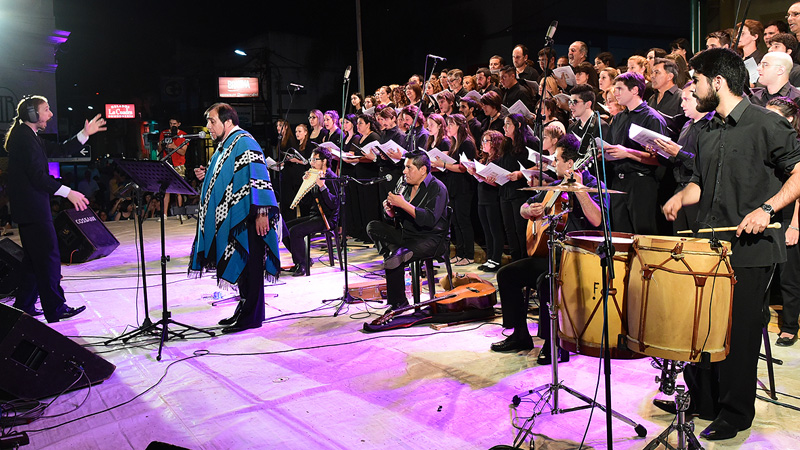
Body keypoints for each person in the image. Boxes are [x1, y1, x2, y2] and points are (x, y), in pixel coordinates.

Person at [661, 48, 800, 441]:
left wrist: (767, 209)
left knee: (739, 333)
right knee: (703, 326)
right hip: (709, 245)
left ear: (718, 82)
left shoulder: (767, 123)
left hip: (752, 249)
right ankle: (703, 401)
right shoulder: (706, 130)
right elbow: (700, 183)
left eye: (697, 81)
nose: (693, 88)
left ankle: (735, 412)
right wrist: (680, 197)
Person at [491, 134, 604, 363]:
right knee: (506, 274)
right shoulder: (554, 186)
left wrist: (580, 190)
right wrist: (528, 211)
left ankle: (555, 344)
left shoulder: (595, 186)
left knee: (546, 281)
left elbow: (597, 220)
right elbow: (525, 205)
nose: (553, 163)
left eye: (557, 159)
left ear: (570, 164)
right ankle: (520, 335)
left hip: (579, 258)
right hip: (552, 253)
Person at [6, 95, 106, 322]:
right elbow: (38, 177)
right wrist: (68, 192)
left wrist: (85, 134)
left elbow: (61, 150)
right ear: (32, 114)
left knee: (34, 261)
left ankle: (23, 306)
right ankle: (55, 308)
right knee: (49, 259)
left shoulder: (28, 136)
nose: (50, 114)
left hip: (31, 209)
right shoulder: (24, 138)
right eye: (46, 109)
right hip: (33, 210)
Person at [190, 103, 280, 334]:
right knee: (243, 268)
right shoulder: (226, 145)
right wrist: (207, 175)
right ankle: (244, 310)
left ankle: (252, 317)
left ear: (227, 121)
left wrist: (263, 213)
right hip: (235, 218)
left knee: (251, 268)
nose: (209, 126)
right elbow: (229, 178)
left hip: (249, 217)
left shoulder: (244, 141)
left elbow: (259, 176)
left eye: (212, 121)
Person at [366, 151, 449, 311]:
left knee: (394, 257)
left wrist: (404, 204)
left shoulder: (437, 188)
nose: (404, 171)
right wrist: (390, 211)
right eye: (404, 167)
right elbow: (393, 217)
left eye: (409, 168)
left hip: (430, 239)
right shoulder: (403, 183)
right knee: (373, 227)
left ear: (423, 170)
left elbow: (429, 220)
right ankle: (395, 253)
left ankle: (398, 303)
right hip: (407, 234)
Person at [604, 71, 665, 235]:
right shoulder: (618, 118)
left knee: (643, 235)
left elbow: (660, 159)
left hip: (641, 183)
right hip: (618, 182)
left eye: (620, 89)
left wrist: (628, 153)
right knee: (621, 235)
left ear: (635, 90)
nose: (615, 93)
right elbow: (611, 147)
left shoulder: (652, 118)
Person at [648, 81, 708, 234]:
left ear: (700, 98)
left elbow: (704, 165)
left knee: (697, 240)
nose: (682, 105)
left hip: (697, 192)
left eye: (686, 99)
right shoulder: (687, 125)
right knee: (679, 238)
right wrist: (660, 151)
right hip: (680, 187)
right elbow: (676, 161)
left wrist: (678, 152)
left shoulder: (710, 127)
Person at [764, 97, 800, 348]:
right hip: (767, 213)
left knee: (789, 276)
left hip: (788, 216)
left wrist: (795, 225)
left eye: (773, 115)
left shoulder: (795, 145)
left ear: (789, 119)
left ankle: (789, 327)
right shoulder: (765, 141)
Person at [282, 147, 339, 277]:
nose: (311, 163)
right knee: (284, 228)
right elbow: (307, 203)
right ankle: (304, 259)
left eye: (315, 160)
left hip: (327, 218)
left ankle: (302, 265)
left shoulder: (331, 177)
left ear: (324, 161)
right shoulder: (315, 176)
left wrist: (322, 187)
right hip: (315, 215)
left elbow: (333, 204)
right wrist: (305, 184)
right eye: (311, 159)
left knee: (295, 231)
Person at [431, 114, 476, 266]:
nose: (448, 127)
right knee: (455, 221)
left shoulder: (466, 143)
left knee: (464, 221)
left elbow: (463, 167)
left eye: (451, 124)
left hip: (464, 187)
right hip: (454, 185)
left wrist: (443, 165)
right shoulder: (454, 143)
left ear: (460, 126)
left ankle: (469, 254)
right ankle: (460, 252)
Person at [467, 130, 506, 272]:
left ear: (495, 143)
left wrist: (479, 174)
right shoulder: (485, 159)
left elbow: (496, 182)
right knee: (486, 231)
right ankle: (489, 258)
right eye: (482, 140)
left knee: (495, 230)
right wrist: (475, 172)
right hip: (482, 198)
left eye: (486, 141)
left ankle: (496, 259)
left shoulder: (498, 160)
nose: (483, 143)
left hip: (492, 199)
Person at [158, 117, 187, 218]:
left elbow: (183, 152)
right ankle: (164, 214)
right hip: (167, 163)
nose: (172, 125)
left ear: (178, 124)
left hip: (178, 164)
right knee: (166, 190)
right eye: (170, 123)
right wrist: (162, 143)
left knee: (178, 190)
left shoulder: (183, 135)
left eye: (174, 123)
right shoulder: (164, 133)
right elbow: (159, 150)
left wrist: (174, 146)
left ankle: (180, 213)